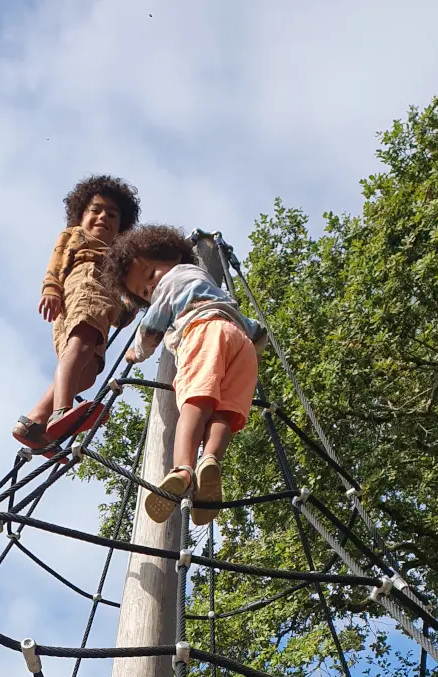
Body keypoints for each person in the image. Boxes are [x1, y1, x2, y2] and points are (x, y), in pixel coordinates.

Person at [103, 225, 267, 525]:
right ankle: (210, 460)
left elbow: (152, 327)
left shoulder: (173, 279)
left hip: (201, 333)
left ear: (175, 257)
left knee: (196, 404)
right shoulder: (211, 288)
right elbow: (256, 330)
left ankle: (182, 469)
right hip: (240, 342)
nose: (152, 289)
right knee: (225, 414)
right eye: (143, 292)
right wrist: (255, 341)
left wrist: (136, 352)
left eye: (150, 276)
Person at [13, 175, 140, 454]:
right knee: (79, 347)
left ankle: (35, 422)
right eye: (95, 210)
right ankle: (61, 412)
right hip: (83, 289)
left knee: (88, 373)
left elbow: (116, 305)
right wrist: (51, 289)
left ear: (121, 228)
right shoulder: (75, 236)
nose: (102, 217)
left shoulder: (117, 258)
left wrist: (130, 308)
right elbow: (57, 262)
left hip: (99, 308)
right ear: (80, 215)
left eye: (112, 214)